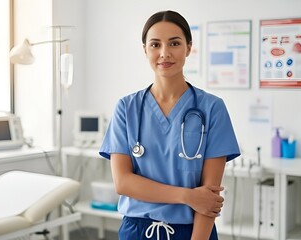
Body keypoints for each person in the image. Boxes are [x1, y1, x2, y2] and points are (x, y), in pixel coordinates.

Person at [99, 10, 240, 240]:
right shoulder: (126, 108)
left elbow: (209, 196)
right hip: (136, 230)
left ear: (188, 47)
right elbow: (123, 182)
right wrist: (187, 196)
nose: (165, 53)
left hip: (193, 232)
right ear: (145, 50)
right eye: (155, 45)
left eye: (174, 43)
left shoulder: (212, 108)